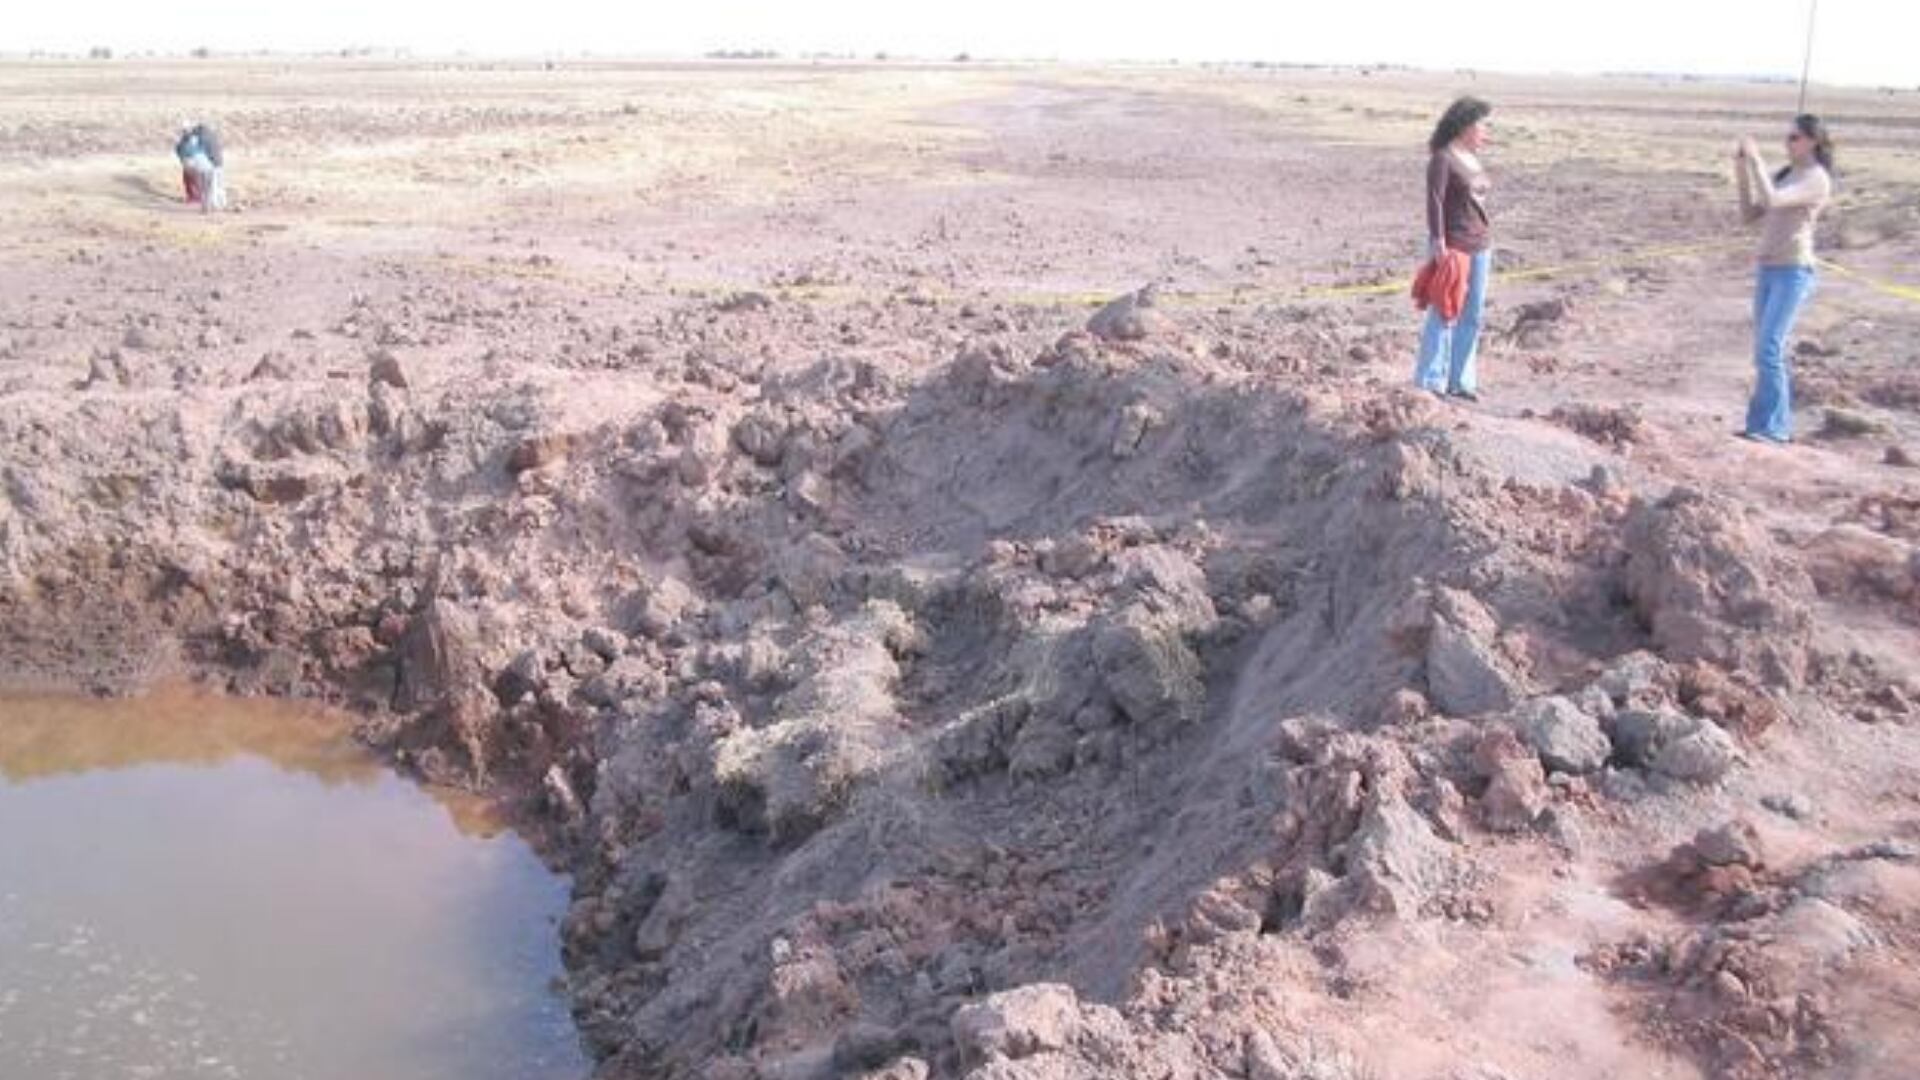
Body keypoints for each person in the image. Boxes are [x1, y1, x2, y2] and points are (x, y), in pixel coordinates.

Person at [1734, 113, 1833, 444]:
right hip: (1768, 269)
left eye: (1794, 137)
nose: (1787, 142)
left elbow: (1774, 200)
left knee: (1769, 349)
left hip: (1793, 271)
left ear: (1813, 141)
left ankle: (1776, 429)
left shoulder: (1816, 178)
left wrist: (1758, 160)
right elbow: (1750, 214)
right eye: (1786, 137)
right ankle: (1759, 425)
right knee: (1761, 350)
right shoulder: (1787, 174)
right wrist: (1743, 167)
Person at [1414, 96, 1493, 402]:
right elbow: (1434, 201)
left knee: (1472, 315)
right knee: (1445, 312)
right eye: (1481, 124)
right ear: (1465, 125)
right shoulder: (1443, 159)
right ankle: (1431, 380)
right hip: (1454, 247)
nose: (1485, 131)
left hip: (1481, 246)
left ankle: (1460, 381)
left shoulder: (1472, 157)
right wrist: (1439, 243)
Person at [173, 121, 227, 212]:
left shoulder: (195, 140)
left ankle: (210, 206)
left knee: (207, 188)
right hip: (211, 165)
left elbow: (182, 152)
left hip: (207, 166)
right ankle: (217, 204)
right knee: (214, 186)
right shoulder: (207, 137)